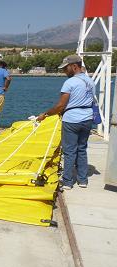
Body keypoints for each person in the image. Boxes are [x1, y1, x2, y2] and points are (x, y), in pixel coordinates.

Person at [37, 54, 95, 190]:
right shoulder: (90, 81)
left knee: (69, 151)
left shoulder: (70, 83)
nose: (64, 71)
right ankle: (83, 180)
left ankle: (68, 181)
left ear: (74, 67)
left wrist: (45, 114)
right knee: (81, 149)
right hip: (87, 118)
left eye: (65, 68)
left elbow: (60, 106)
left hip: (72, 120)